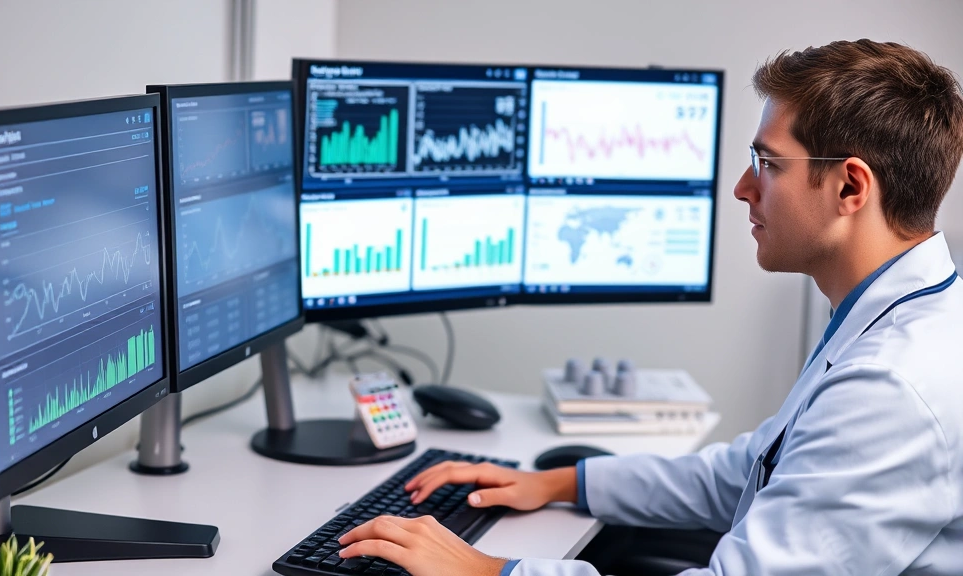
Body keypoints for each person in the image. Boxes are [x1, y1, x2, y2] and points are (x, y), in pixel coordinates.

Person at [338, 39, 963, 575]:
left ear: (851, 186)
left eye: (767, 164)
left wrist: (489, 570)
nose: (743, 188)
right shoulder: (892, 317)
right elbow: (751, 471)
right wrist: (561, 482)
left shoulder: (890, 387)